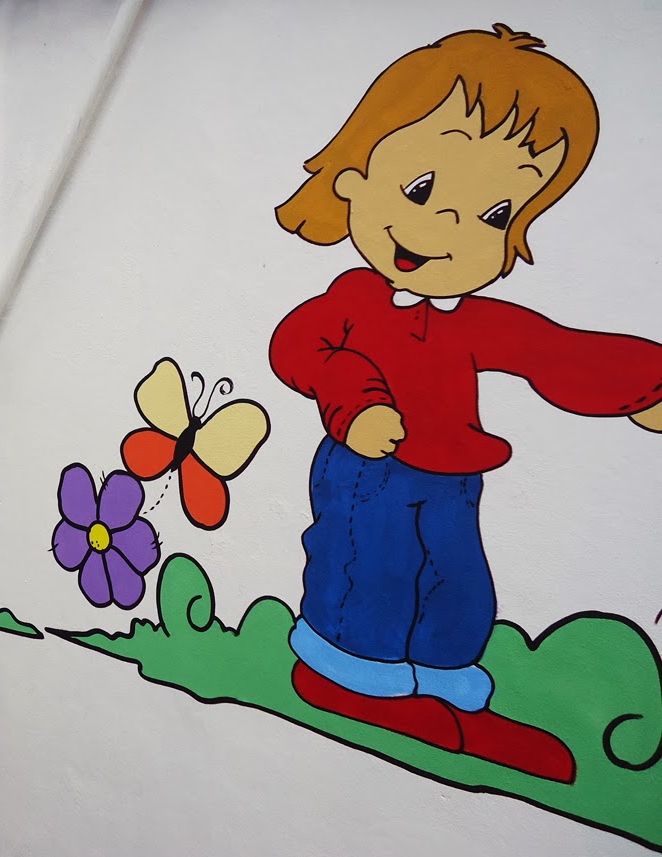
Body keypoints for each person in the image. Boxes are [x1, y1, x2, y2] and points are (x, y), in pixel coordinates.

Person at [270, 24, 662, 782]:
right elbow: (300, 349)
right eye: (421, 191)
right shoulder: (353, 300)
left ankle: (444, 682)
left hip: (453, 475)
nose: (449, 228)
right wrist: (354, 404)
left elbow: (554, 351)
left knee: (457, 580)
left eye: (495, 215)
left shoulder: (475, 318)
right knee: (371, 567)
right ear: (353, 180)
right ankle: (343, 674)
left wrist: (644, 387)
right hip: (368, 472)